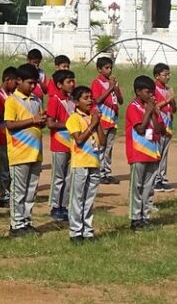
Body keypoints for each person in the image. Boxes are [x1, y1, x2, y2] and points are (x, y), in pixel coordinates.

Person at [4, 63, 45, 236]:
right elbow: (10, 124)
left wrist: (41, 121)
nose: (33, 86)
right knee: (18, 190)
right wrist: (33, 120)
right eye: (30, 83)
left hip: (35, 152)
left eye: (35, 83)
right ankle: (16, 223)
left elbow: (39, 121)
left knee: (31, 190)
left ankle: (26, 221)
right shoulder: (12, 101)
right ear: (18, 81)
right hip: (19, 153)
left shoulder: (36, 100)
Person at [65, 85, 104, 242]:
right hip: (80, 163)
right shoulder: (74, 118)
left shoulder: (92, 117)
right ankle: (75, 231)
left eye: (91, 98)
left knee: (89, 198)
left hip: (94, 162)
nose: (89, 101)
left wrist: (98, 122)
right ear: (76, 102)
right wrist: (93, 124)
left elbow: (103, 141)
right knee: (77, 198)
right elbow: (79, 139)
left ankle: (87, 230)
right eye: (85, 98)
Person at [126, 75, 164, 230]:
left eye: (152, 92)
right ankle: (135, 219)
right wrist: (148, 111)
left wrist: (154, 112)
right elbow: (140, 128)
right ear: (138, 91)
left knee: (148, 187)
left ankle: (145, 216)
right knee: (137, 186)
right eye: (148, 92)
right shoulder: (133, 107)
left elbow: (160, 129)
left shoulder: (153, 107)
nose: (151, 95)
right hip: (138, 153)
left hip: (152, 152)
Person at [45, 69, 76, 222]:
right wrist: (68, 125)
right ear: (59, 84)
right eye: (68, 82)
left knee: (69, 176)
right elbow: (50, 123)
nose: (72, 84)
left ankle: (64, 205)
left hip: (72, 144)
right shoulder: (55, 100)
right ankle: (55, 206)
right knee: (59, 176)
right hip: (59, 144)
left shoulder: (72, 100)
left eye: (73, 81)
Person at [89, 56, 122, 184]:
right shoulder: (97, 82)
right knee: (101, 146)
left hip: (113, 120)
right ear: (99, 69)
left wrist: (115, 88)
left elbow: (120, 100)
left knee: (109, 148)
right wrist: (109, 88)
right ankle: (98, 172)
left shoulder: (113, 82)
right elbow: (97, 100)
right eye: (106, 68)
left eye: (110, 68)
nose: (109, 70)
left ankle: (107, 172)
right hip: (103, 119)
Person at [0, 67, 17, 208]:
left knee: (10, 166)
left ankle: (10, 193)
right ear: (7, 80)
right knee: (4, 167)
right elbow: (0, 116)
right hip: (3, 137)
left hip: (12, 137)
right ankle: (4, 196)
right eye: (15, 82)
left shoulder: (11, 95)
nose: (17, 85)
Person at [152, 63, 176, 193]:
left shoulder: (168, 90)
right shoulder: (154, 89)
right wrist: (167, 100)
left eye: (169, 74)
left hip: (168, 124)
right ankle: (155, 179)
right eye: (165, 74)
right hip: (159, 124)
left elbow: (175, 109)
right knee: (158, 151)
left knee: (164, 153)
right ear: (157, 76)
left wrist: (172, 100)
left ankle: (162, 178)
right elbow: (154, 107)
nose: (168, 77)